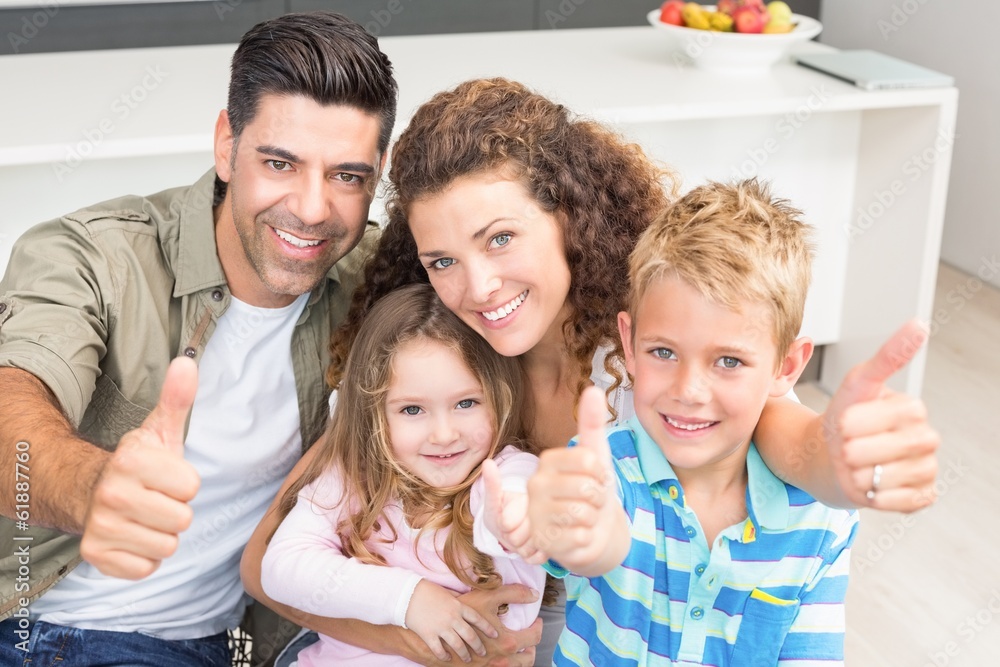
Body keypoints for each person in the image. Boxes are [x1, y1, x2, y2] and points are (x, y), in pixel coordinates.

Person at [240, 78, 939, 666]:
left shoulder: (655, 344)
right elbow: (263, 565)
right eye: (442, 260)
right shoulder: (443, 355)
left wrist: (842, 460)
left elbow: (783, 435)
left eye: (501, 238)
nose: (478, 287)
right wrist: (422, 634)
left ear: (568, 215)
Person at [0, 11, 405, 666]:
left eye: (346, 176)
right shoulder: (94, 255)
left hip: (204, 644)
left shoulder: (376, 282)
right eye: (280, 162)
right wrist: (91, 486)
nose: (310, 207)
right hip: (32, 618)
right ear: (226, 145)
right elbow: (12, 397)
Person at [525, 179, 864, 665]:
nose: (688, 390)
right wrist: (586, 537)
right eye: (663, 352)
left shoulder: (820, 519)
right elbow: (581, 541)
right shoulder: (603, 471)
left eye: (728, 361)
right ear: (629, 342)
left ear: (786, 367)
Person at [258, 283, 546, 666]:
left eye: (466, 403)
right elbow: (280, 568)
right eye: (412, 410)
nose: (444, 434)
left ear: (499, 397)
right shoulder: (354, 477)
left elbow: (513, 502)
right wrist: (409, 599)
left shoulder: (506, 472)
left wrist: (515, 522)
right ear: (375, 413)